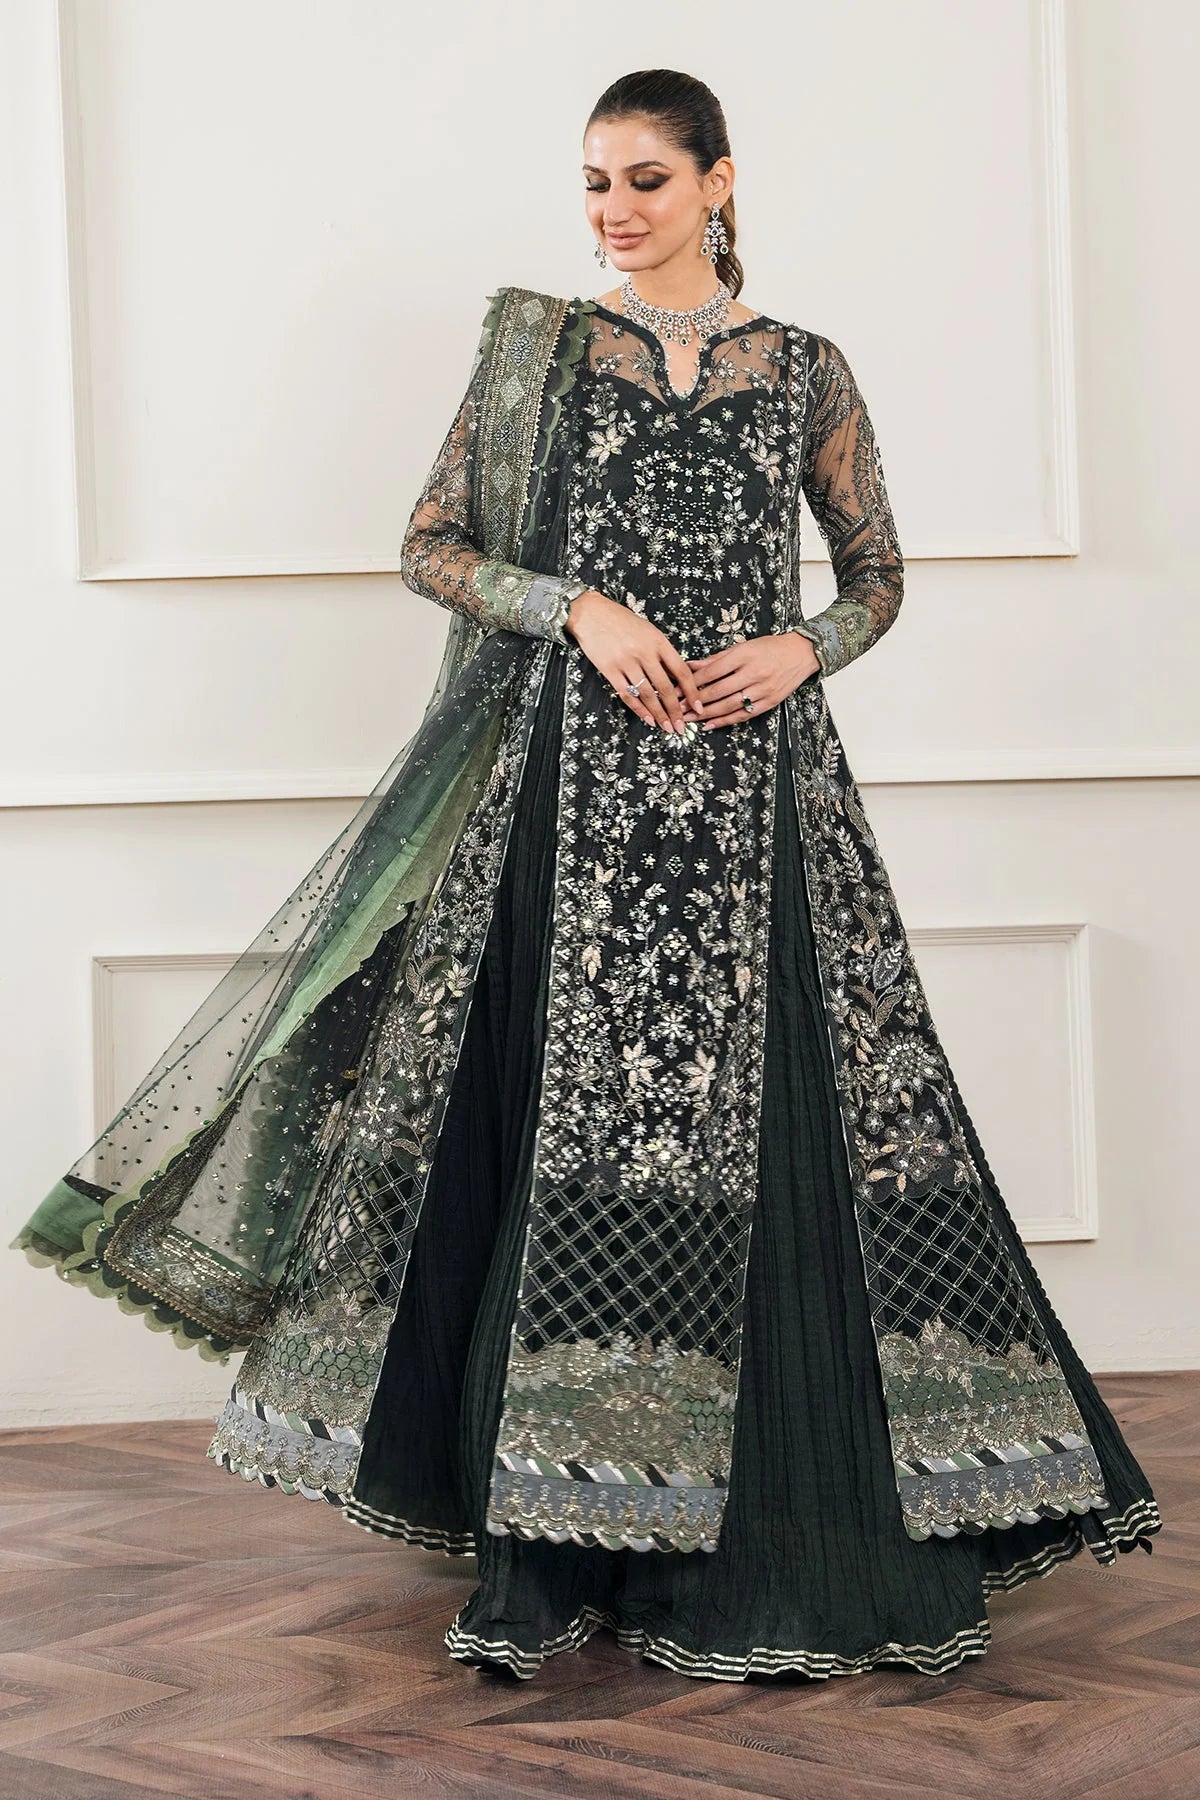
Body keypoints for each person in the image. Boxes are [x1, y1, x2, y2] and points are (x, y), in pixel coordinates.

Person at [11, 68, 1162, 1684]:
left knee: (791, 1148)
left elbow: (880, 572)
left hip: (760, 805)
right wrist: (579, 609)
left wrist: (803, 647)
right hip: (567, 799)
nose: (615, 211)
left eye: (645, 180)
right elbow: (427, 545)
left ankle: (784, 1528)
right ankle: (552, 1547)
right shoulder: (542, 355)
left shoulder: (804, 369)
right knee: (553, 1135)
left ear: (719, 183)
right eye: (595, 184)